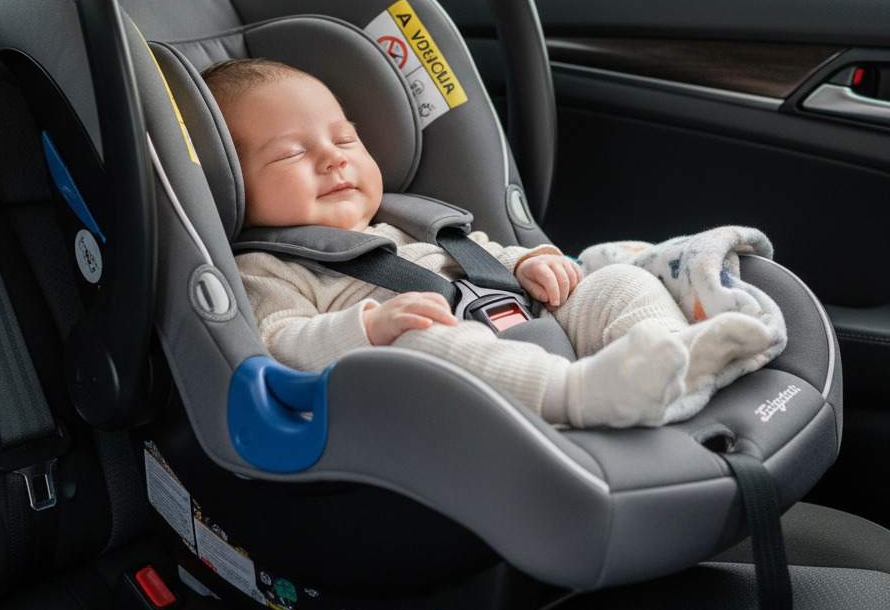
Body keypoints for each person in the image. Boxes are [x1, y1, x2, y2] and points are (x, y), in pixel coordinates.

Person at [202, 58, 773, 429]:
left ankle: (676, 358)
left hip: (524, 315)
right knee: (424, 349)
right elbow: (277, 344)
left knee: (621, 281)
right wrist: (369, 330)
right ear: (230, 184)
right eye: (291, 154)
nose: (334, 157)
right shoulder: (265, 268)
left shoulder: (407, 221)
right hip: (447, 375)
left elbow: (482, 254)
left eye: (345, 138)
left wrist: (526, 264)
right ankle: (581, 395)